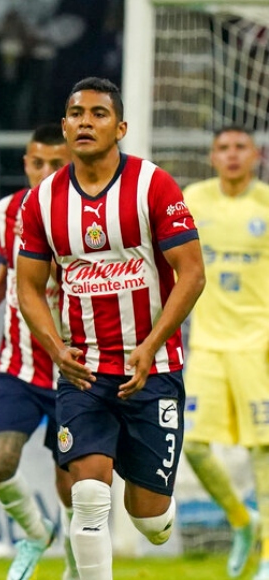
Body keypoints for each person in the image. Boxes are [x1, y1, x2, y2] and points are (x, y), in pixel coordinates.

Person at [15, 77, 205, 580]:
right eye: (76, 113)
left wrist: (151, 344)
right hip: (84, 372)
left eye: (99, 114)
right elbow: (29, 287)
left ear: (120, 127)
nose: (85, 121)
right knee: (90, 495)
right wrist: (56, 348)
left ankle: (153, 503)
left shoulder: (153, 185)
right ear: (64, 125)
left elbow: (192, 273)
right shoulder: (42, 202)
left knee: (150, 518)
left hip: (153, 367)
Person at [0, 123, 76, 579]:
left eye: (56, 163)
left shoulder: (91, 215)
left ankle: (74, 566)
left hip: (75, 372)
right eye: (37, 162)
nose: (46, 171)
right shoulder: (7, 210)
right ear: (25, 164)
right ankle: (34, 532)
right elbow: (12, 266)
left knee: (73, 486)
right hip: (19, 366)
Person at [180, 125, 269, 580]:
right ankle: (241, 519)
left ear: (256, 155)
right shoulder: (193, 199)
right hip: (209, 344)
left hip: (259, 344)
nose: (232, 155)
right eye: (223, 148)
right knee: (192, 446)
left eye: (240, 147)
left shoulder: (267, 205)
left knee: (264, 448)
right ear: (212, 157)